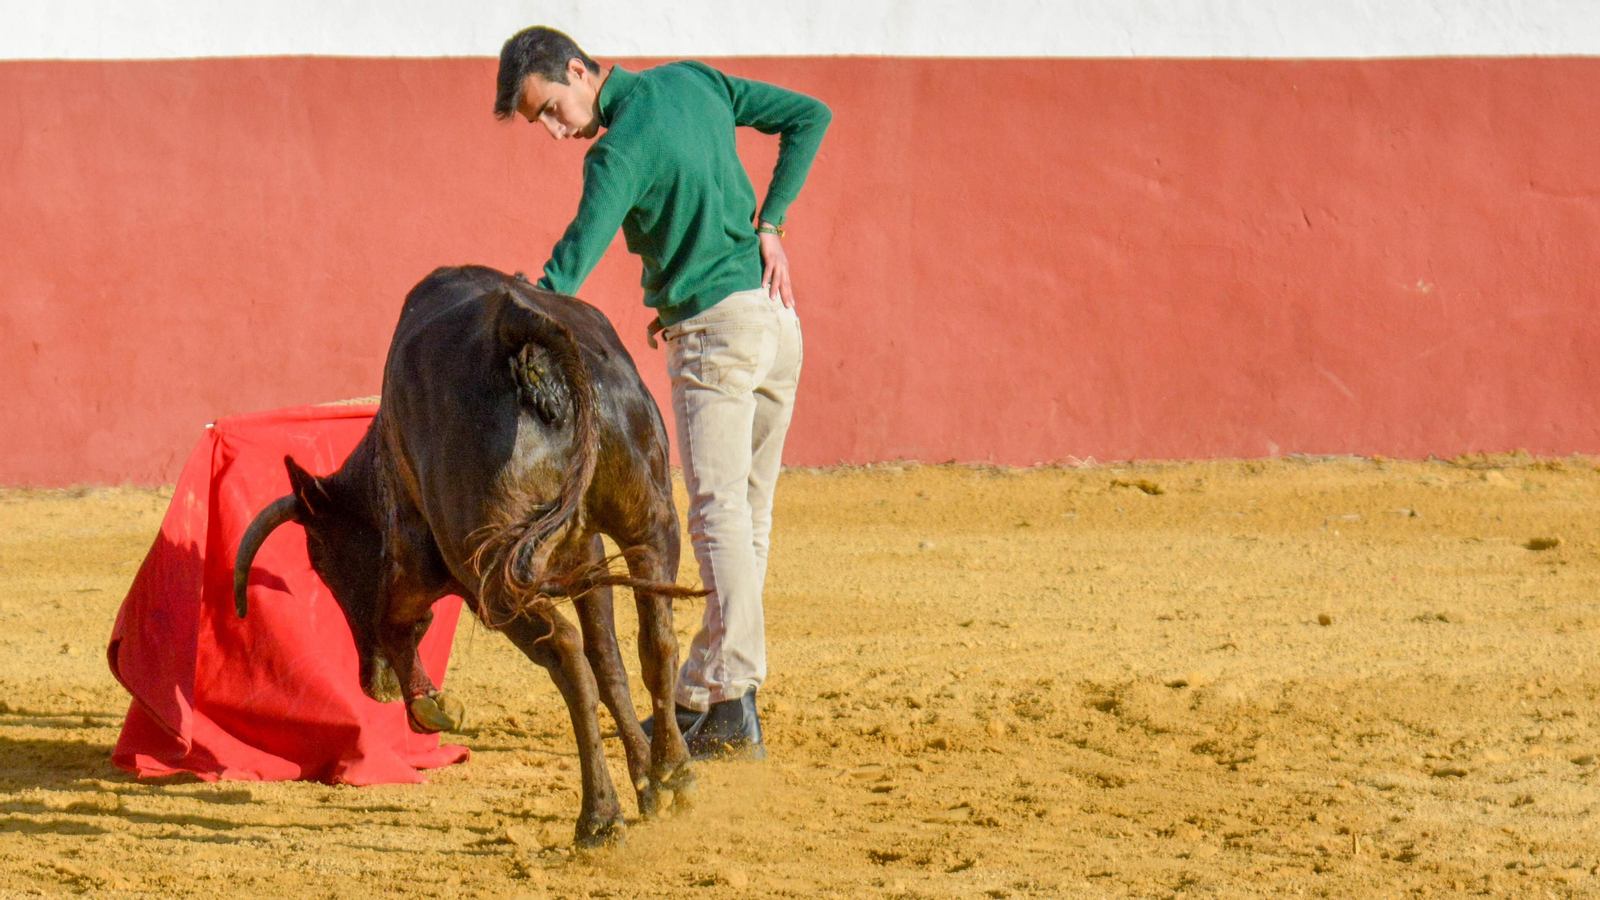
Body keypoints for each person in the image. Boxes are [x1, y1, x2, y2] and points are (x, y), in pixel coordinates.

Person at [493, 26, 830, 760]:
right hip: (776, 325)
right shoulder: (694, 80)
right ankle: (712, 694)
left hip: (716, 339)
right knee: (746, 516)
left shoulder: (615, 153)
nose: (554, 131)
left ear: (579, 71)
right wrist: (771, 222)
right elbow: (811, 115)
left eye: (552, 109)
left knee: (716, 517)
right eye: (540, 123)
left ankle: (733, 702)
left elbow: (570, 268)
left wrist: (517, 305)